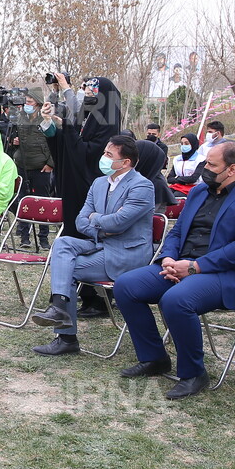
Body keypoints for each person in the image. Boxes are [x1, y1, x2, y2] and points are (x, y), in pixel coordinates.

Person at [112, 141, 235, 399]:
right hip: (183, 265)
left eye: (212, 165)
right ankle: (154, 357)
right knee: (126, 286)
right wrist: (167, 258)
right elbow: (177, 231)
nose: (204, 168)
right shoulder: (199, 192)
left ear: (232, 169)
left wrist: (195, 267)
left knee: (176, 299)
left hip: (229, 274)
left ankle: (193, 373)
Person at [31, 135, 155, 355]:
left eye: (109, 155)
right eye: (104, 152)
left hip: (125, 254)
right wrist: (101, 224)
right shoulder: (99, 183)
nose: (103, 158)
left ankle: (66, 336)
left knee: (65, 268)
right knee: (62, 243)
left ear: (125, 162)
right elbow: (80, 220)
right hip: (100, 244)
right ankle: (60, 307)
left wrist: (96, 220)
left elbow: (119, 223)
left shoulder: (142, 186)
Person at [49, 74, 122, 240]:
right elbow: (73, 136)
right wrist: (57, 128)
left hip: (90, 178)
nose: (87, 99)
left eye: (91, 95)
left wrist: (67, 127)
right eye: (86, 94)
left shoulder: (107, 122)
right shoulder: (87, 115)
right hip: (75, 178)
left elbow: (92, 150)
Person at [10, 87, 56, 248]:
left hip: (41, 167)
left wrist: (51, 163)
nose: (26, 104)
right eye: (26, 101)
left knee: (43, 202)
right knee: (23, 201)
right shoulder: (20, 117)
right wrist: (13, 142)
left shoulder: (46, 119)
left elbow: (55, 143)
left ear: (38, 103)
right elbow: (12, 138)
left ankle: (43, 237)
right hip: (23, 165)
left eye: (29, 101)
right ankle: (24, 236)